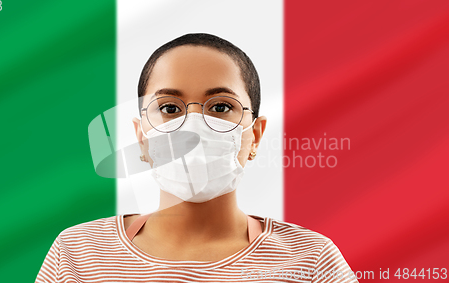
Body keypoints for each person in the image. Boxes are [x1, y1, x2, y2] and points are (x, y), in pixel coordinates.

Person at [35, 33, 359, 282]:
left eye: (220, 107)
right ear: (141, 138)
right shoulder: (78, 253)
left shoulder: (311, 261)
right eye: (169, 109)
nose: (192, 126)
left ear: (255, 136)